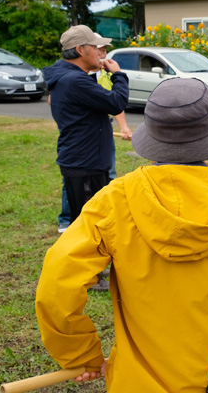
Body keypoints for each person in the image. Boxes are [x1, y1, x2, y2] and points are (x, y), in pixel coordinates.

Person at [35, 77, 208, 391]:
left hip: (143, 380)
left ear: (152, 135)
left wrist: (80, 354)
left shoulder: (114, 201)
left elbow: (57, 284)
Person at [42, 25, 128, 289]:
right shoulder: (74, 80)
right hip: (85, 160)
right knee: (88, 222)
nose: (101, 54)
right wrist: (118, 75)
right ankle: (89, 276)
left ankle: (92, 271)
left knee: (89, 219)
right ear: (81, 50)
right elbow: (116, 103)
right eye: (96, 48)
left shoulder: (71, 77)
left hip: (84, 158)